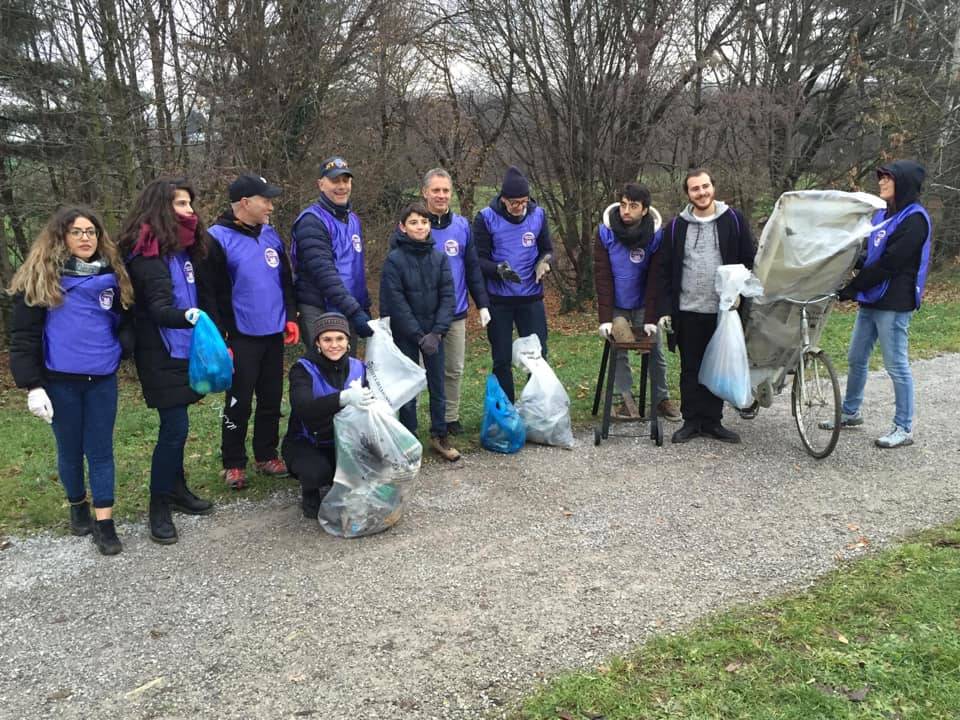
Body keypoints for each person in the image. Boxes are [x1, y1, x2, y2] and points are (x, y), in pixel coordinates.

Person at [8, 207, 134, 555]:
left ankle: (105, 522)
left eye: (91, 231)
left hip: (102, 379)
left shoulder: (114, 275)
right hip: (60, 381)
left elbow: (125, 320)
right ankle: (77, 505)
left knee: (101, 450)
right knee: (70, 449)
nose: (85, 238)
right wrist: (32, 385)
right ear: (61, 237)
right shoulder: (41, 277)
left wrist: (125, 344)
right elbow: (23, 337)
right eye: (77, 232)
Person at [118, 177, 215, 545]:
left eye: (190, 204)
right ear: (160, 207)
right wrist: (192, 317)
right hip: (160, 350)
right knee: (173, 429)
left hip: (182, 347)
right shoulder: (147, 251)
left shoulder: (181, 249)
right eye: (180, 204)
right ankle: (157, 507)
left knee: (180, 426)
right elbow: (159, 309)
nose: (189, 211)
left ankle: (177, 489)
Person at [206, 174, 298, 489]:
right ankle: (233, 462)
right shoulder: (215, 238)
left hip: (273, 332)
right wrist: (222, 336)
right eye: (266, 200)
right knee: (239, 401)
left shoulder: (271, 235)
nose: (271, 206)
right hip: (240, 335)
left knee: (271, 397)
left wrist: (290, 316)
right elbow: (210, 294)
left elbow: (286, 280)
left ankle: (266, 454)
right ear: (245, 203)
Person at [831, 160, 932, 448]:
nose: (882, 183)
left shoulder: (915, 219)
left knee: (896, 365)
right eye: (881, 178)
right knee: (855, 357)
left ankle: (903, 427)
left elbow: (891, 263)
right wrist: (845, 259)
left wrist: (853, 287)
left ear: (903, 183)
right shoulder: (882, 216)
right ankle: (850, 412)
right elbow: (871, 255)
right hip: (871, 298)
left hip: (894, 303)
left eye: (887, 179)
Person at [656, 168, 755, 444]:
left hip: (722, 311)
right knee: (690, 367)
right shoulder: (676, 227)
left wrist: (739, 294)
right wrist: (665, 309)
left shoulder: (733, 220)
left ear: (713, 187)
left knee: (717, 366)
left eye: (705, 186)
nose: (702, 193)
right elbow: (664, 270)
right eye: (695, 189)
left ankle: (713, 421)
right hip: (687, 310)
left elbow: (749, 259)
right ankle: (691, 422)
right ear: (688, 194)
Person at [594, 183, 681, 422]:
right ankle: (625, 400)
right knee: (618, 351)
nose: (626, 210)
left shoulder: (656, 236)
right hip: (617, 303)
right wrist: (605, 319)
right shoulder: (605, 233)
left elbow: (655, 278)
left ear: (644, 210)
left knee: (655, 350)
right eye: (623, 204)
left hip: (644, 302)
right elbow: (602, 277)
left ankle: (661, 398)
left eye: (633, 206)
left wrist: (652, 317)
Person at [380, 203, 459, 460]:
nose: (420, 226)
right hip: (407, 334)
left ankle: (439, 435)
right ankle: (408, 438)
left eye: (424, 222)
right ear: (403, 227)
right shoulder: (394, 260)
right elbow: (396, 301)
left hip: (435, 334)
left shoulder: (439, 258)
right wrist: (417, 335)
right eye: (414, 222)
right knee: (408, 387)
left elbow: (448, 296)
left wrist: (437, 332)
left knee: (438, 384)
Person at [281, 312, 376, 519]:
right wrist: (343, 398)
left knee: (378, 461)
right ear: (317, 342)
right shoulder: (302, 369)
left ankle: (342, 478)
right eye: (327, 339)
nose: (334, 345)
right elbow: (303, 407)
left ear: (348, 341)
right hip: (308, 442)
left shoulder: (359, 367)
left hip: (345, 441)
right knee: (317, 473)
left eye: (340, 338)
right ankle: (310, 491)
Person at [420, 168, 491, 435]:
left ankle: (450, 417)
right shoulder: (415, 224)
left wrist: (482, 304)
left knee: (454, 368)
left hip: (456, 311)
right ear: (425, 192)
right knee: (417, 371)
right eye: (435, 190)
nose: (441, 195)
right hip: (423, 314)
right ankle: (412, 420)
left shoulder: (462, 226)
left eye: (445, 190)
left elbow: (472, 267)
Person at [474, 166, 553, 402]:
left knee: (538, 355)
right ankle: (507, 409)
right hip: (499, 301)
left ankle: (536, 406)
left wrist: (545, 263)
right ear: (503, 199)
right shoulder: (486, 217)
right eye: (515, 203)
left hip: (531, 298)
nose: (520, 207)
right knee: (501, 358)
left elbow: (547, 249)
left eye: (524, 202)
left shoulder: (538, 215)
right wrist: (497, 270)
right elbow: (477, 259)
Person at [290, 156, 372, 351]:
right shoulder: (312, 221)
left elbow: (356, 268)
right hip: (320, 309)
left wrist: (365, 306)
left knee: (347, 373)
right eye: (335, 181)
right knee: (326, 371)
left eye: (346, 180)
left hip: (347, 307)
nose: (342, 186)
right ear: (321, 184)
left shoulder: (353, 219)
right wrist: (355, 311)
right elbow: (325, 274)